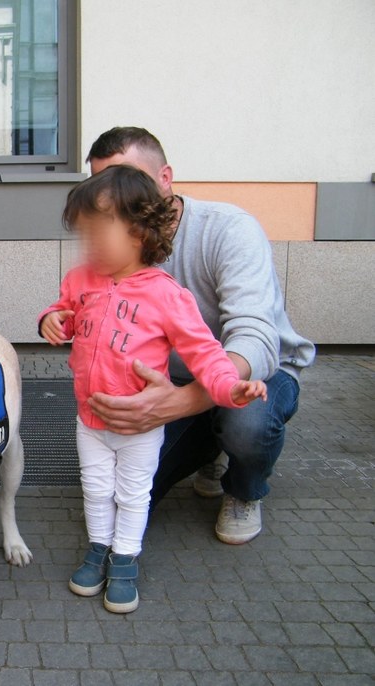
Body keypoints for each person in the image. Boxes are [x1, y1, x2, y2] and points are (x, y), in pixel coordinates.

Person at [39, 165, 267, 613]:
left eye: (100, 233)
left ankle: (125, 558)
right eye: (84, 234)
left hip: (141, 426)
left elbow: (206, 353)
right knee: (95, 487)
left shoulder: (168, 295)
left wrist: (230, 387)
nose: (90, 245)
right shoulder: (81, 279)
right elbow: (65, 311)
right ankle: (98, 548)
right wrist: (52, 318)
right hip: (90, 419)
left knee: (132, 492)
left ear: (140, 232)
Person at [83, 127, 315, 545]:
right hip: (170, 379)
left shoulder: (228, 230)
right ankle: (207, 447)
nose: (117, 197)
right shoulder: (112, 245)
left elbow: (256, 338)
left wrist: (180, 404)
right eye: (103, 185)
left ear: (165, 178)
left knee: (246, 421)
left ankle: (244, 488)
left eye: (129, 179)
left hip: (256, 375)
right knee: (121, 503)